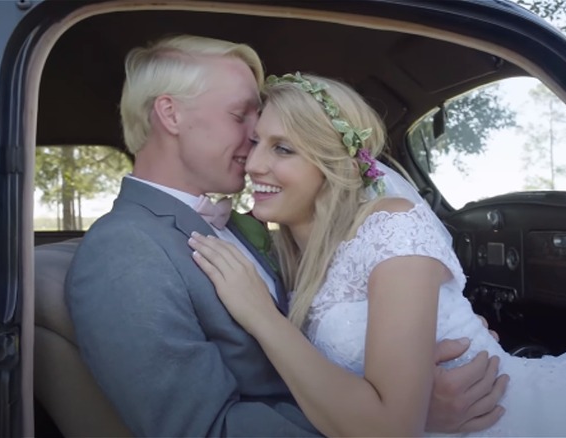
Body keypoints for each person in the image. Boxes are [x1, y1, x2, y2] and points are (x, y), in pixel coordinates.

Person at [188, 72, 566, 437]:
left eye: (282, 148)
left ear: (334, 162)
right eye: (254, 142)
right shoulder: (293, 249)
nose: (253, 163)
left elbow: (389, 428)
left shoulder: (392, 229)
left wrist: (261, 315)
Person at [65, 35, 507, 437]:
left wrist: (417, 358)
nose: (253, 146)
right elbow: (207, 430)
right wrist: (397, 416)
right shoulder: (124, 251)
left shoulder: (254, 224)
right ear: (170, 113)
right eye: (240, 116)